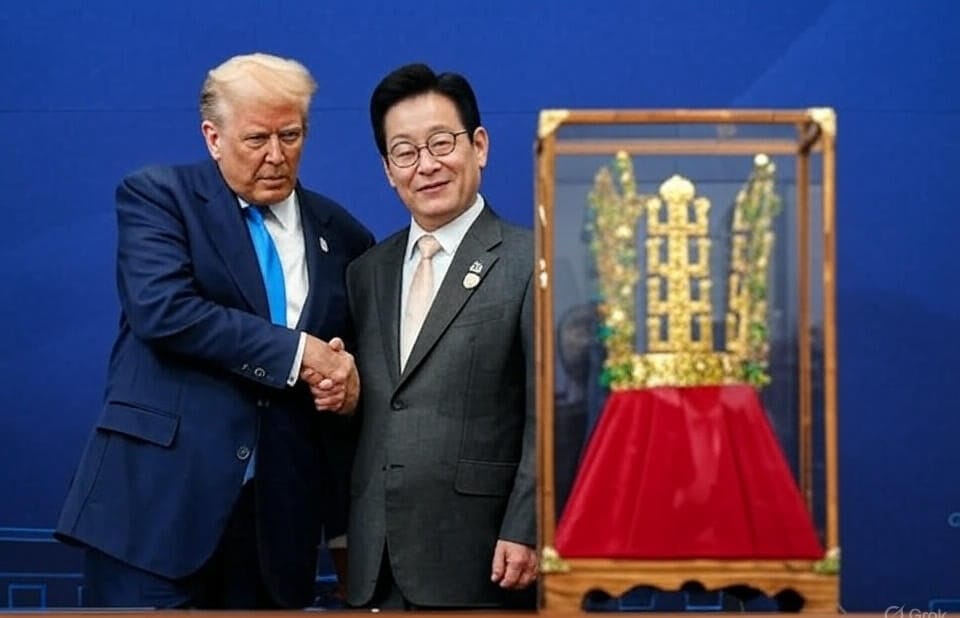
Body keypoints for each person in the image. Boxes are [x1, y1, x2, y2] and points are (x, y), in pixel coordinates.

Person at [55, 53, 374, 609]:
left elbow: (352, 363)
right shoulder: (159, 197)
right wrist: (299, 354)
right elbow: (164, 311)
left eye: (291, 135)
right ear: (213, 137)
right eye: (256, 139)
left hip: (276, 531)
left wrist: (347, 388)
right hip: (154, 514)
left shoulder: (343, 234)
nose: (276, 155)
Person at [333, 63, 537, 609]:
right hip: (375, 562)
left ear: (479, 146)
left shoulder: (530, 262)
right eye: (404, 152)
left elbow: (551, 415)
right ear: (387, 170)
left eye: (441, 143)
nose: (426, 165)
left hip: (484, 559)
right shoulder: (366, 272)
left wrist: (528, 526)